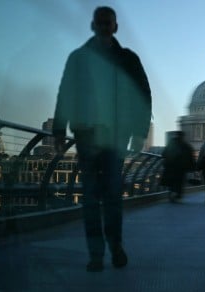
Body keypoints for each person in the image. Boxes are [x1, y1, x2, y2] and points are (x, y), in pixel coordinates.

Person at [52, 6, 152, 271]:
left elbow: (143, 95)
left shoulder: (128, 59)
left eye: (108, 23)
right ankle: (96, 253)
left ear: (115, 27)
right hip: (87, 135)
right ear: (93, 26)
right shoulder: (78, 58)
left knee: (110, 196)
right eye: (101, 23)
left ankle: (115, 245)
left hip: (114, 136)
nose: (105, 27)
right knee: (90, 197)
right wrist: (58, 131)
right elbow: (65, 94)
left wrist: (140, 132)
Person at [161, 131, 195, 202]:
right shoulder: (186, 145)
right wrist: (191, 167)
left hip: (170, 167)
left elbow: (163, 153)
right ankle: (177, 195)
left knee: (171, 181)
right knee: (179, 182)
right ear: (183, 137)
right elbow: (191, 157)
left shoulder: (171, 143)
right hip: (181, 168)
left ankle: (171, 194)